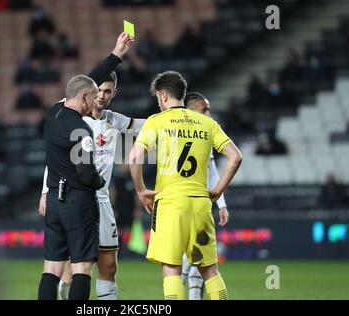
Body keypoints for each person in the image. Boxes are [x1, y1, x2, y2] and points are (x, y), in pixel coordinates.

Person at [129, 71, 242, 300]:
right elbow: (236, 157)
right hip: (200, 204)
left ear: (162, 96)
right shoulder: (207, 123)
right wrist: (218, 190)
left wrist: (141, 190)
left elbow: (134, 157)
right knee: (209, 269)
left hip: (170, 204)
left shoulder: (156, 121)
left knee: (171, 268)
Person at [37, 33, 134, 300]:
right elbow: (86, 173)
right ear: (83, 98)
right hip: (79, 203)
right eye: (91, 98)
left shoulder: (54, 113)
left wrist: (116, 54)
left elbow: (86, 80)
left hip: (56, 201)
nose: (95, 102)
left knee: (51, 269)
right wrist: (100, 183)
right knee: (81, 269)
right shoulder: (81, 130)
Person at [181, 92, 230, 300]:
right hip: (181, 202)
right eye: (204, 110)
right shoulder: (178, 132)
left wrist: (222, 203)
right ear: (190, 111)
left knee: (196, 255)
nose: (209, 114)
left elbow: (211, 170)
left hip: (198, 202)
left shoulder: (205, 133)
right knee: (190, 258)